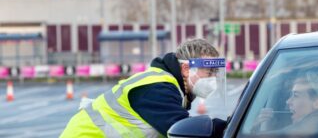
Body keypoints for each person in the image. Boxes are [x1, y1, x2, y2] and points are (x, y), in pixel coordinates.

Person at [60, 38, 223, 138]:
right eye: (209, 72)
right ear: (187, 69)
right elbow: (185, 130)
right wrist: (229, 127)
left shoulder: (169, 86)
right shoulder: (158, 88)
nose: (213, 78)